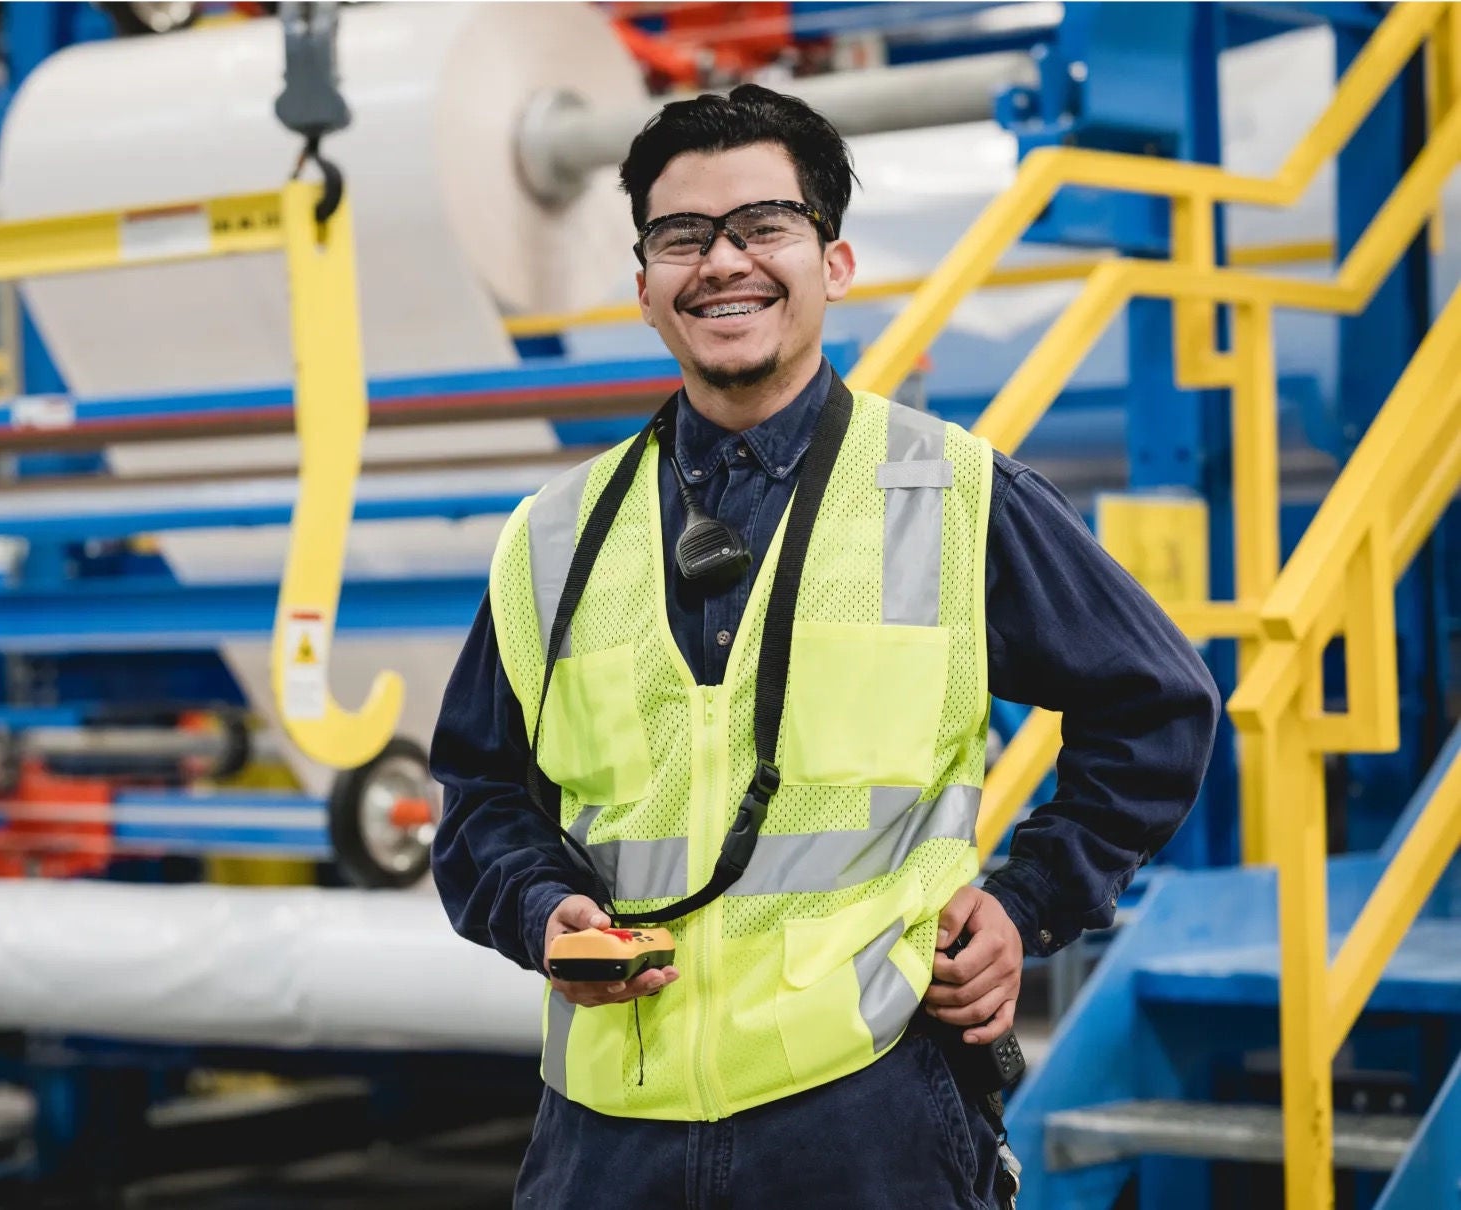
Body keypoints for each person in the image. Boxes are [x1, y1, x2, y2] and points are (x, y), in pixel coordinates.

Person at [428, 83, 1219, 1209]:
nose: (721, 262)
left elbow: (1157, 704)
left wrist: (1027, 898)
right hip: (608, 1128)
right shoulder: (552, 536)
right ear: (644, 286)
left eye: (763, 226)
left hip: (865, 1112)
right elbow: (477, 794)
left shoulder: (946, 493)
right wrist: (539, 909)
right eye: (681, 236)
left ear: (832, 263)